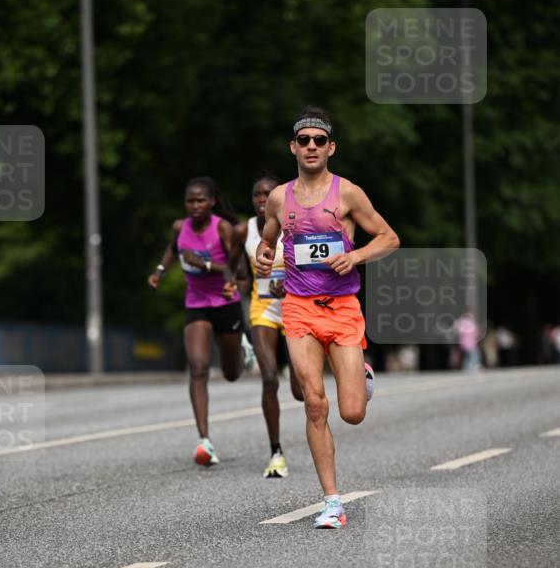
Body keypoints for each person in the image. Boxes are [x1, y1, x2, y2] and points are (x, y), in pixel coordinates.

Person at [256, 106, 399, 528]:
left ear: (331, 147)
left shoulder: (348, 193)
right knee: (314, 402)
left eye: (320, 141)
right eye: (304, 141)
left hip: (342, 309)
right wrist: (264, 258)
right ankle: (332, 502)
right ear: (293, 147)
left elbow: (389, 238)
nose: (312, 147)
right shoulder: (280, 197)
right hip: (298, 308)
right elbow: (268, 241)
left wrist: (354, 256)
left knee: (351, 412)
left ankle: (362, 374)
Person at [148, 176, 254, 466]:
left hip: (226, 304)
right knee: (198, 368)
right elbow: (174, 249)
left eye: (200, 200)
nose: (194, 205)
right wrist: (160, 270)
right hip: (196, 304)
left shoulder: (223, 228)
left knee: (231, 373)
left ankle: (244, 348)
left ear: (212, 202)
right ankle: (204, 441)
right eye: (190, 201)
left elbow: (241, 271)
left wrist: (205, 264)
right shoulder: (179, 227)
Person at [230, 170, 304, 478]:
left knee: (301, 392)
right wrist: (236, 282)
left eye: (268, 194)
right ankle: (276, 452)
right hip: (263, 309)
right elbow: (237, 267)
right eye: (257, 195)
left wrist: (287, 285)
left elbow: (312, 271)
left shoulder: (296, 226)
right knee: (269, 378)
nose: (263, 200)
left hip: (297, 306)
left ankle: (301, 373)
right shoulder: (242, 230)